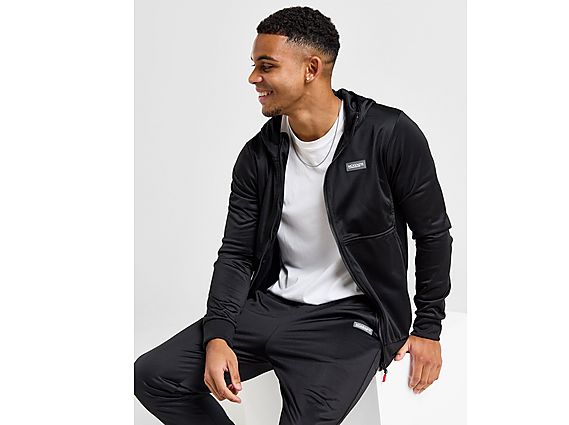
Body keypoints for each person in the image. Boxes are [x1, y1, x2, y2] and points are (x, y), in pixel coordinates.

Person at [135, 6, 453, 425]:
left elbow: (433, 233)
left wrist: (428, 329)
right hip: (270, 306)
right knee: (154, 375)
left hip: (352, 317)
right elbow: (237, 255)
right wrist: (218, 334)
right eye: (254, 66)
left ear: (311, 69)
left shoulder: (388, 134)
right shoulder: (258, 156)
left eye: (266, 66)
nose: (253, 78)